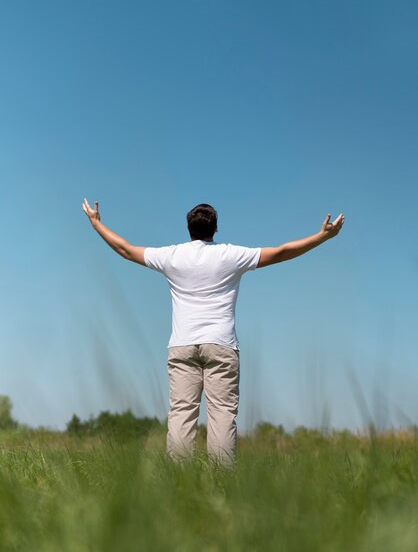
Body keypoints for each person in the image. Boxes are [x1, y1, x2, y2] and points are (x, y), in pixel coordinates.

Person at [82, 199, 344, 464]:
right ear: (216, 229)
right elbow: (280, 252)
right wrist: (322, 237)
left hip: (182, 345)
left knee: (182, 413)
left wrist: (96, 224)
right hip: (221, 345)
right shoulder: (230, 255)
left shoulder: (172, 256)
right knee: (222, 414)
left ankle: (180, 483)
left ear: (188, 229)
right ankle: (220, 483)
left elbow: (125, 250)